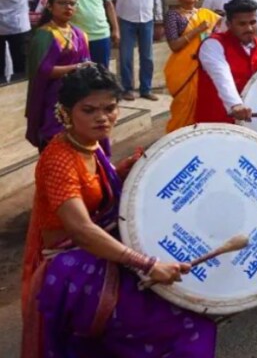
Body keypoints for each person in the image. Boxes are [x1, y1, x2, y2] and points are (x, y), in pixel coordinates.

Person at [20, 64, 216, 357]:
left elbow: (98, 191)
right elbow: (82, 230)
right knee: (185, 326)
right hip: (74, 267)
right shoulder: (59, 160)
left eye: (110, 108)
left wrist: (121, 173)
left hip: (102, 253)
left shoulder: (90, 144)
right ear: (65, 111)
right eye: (89, 110)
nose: (102, 117)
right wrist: (147, 264)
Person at [24, 0, 91, 150]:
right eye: (62, 3)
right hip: (53, 101)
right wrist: (76, 67)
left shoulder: (80, 34)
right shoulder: (44, 35)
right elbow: (42, 71)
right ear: (50, 6)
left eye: (72, 4)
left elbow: (87, 63)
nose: (68, 7)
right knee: (55, 144)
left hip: (77, 98)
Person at [107, 0, 174, 101]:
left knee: (147, 57)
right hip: (127, 20)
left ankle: (146, 88)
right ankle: (126, 89)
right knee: (126, 57)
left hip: (146, 20)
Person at [194, 0, 257, 124]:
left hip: (256, 127)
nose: (249, 28)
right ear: (229, 24)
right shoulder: (212, 45)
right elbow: (221, 75)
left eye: (252, 23)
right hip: (217, 126)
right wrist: (235, 104)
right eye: (242, 24)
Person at [163, 0, 220, 132]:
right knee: (182, 110)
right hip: (183, 72)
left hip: (205, 71)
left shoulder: (207, 15)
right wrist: (198, 30)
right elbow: (174, 45)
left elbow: (221, 35)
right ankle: (176, 142)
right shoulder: (173, 16)